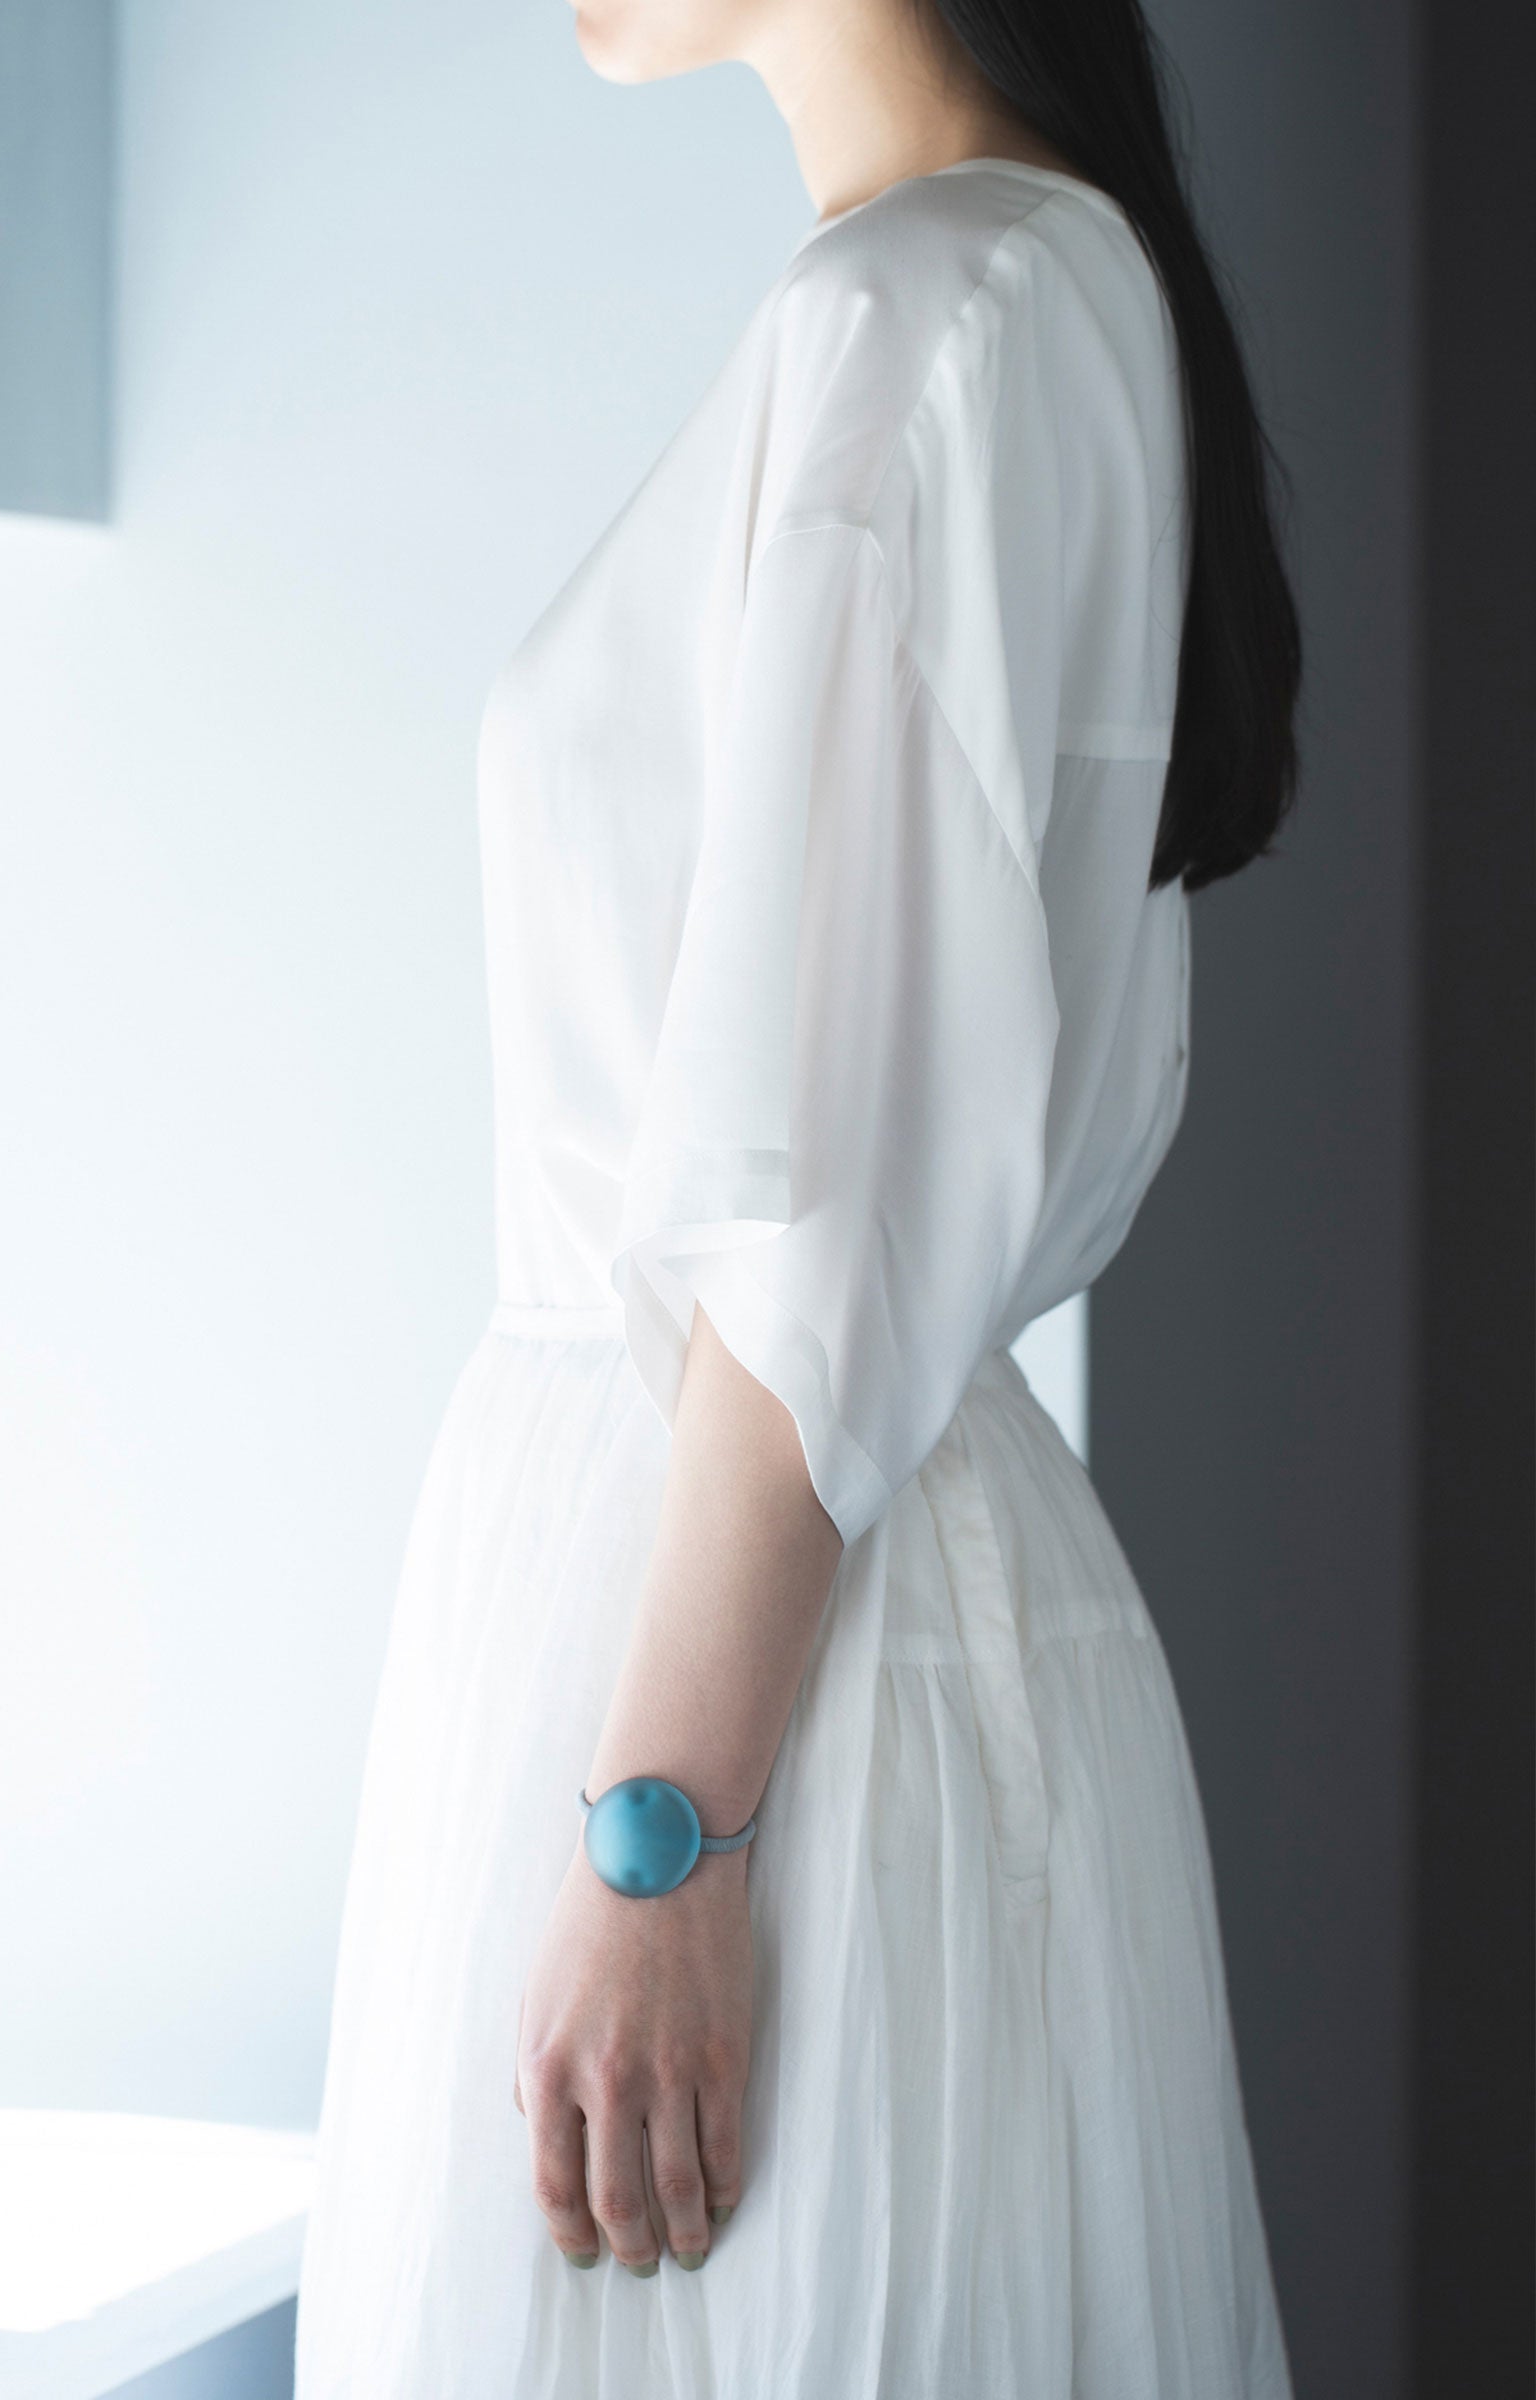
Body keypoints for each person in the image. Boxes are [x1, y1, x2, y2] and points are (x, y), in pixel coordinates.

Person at [295, 0, 1302, 2390]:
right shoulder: (990, 290)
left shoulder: (933, 310)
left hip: (755, 1661)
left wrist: (666, 1832)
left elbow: (814, 1188)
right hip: (769, 1607)